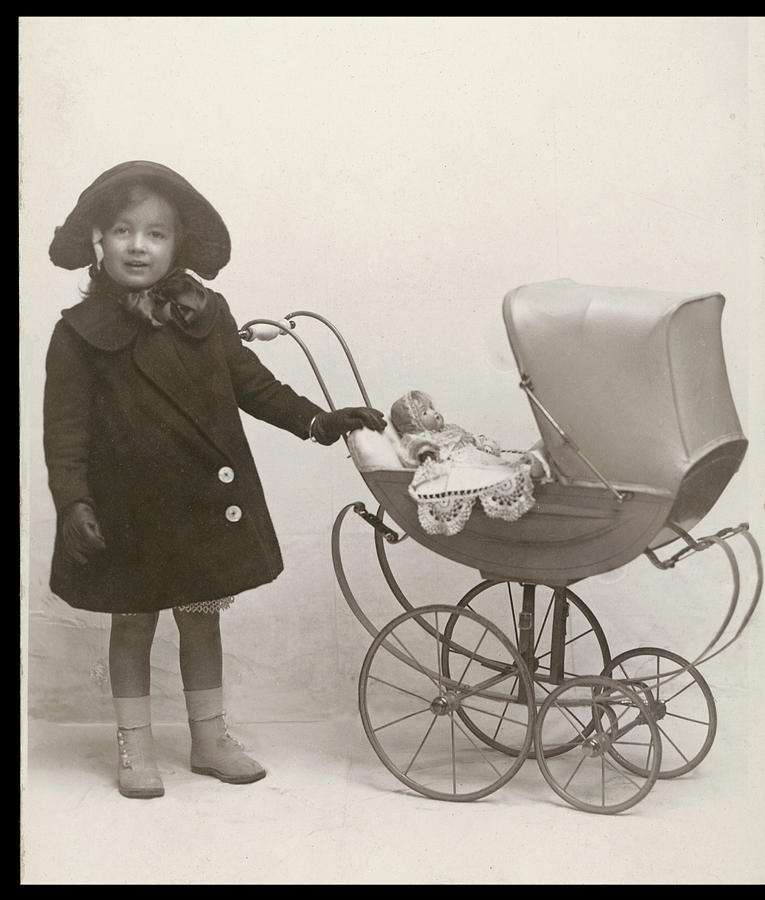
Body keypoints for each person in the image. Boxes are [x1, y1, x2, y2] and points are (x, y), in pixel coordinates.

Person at [43, 160, 386, 799]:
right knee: (134, 622)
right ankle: (134, 748)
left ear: (177, 245)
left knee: (203, 620)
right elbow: (63, 432)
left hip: (201, 501)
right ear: (97, 241)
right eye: (122, 230)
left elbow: (253, 384)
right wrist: (74, 500)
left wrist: (318, 420)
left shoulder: (206, 312)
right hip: (127, 510)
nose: (138, 245)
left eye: (155, 233)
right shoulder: (77, 334)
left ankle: (209, 738)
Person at [389, 390, 550, 535]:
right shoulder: (421, 438)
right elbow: (416, 449)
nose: (434, 412)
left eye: (432, 407)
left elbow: (472, 440)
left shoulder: (451, 429)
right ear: (414, 425)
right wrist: (428, 455)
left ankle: (531, 460)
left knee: (501, 467)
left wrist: (483, 445)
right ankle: (528, 467)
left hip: (479, 459)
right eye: (425, 412)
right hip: (463, 467)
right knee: (497, 476)